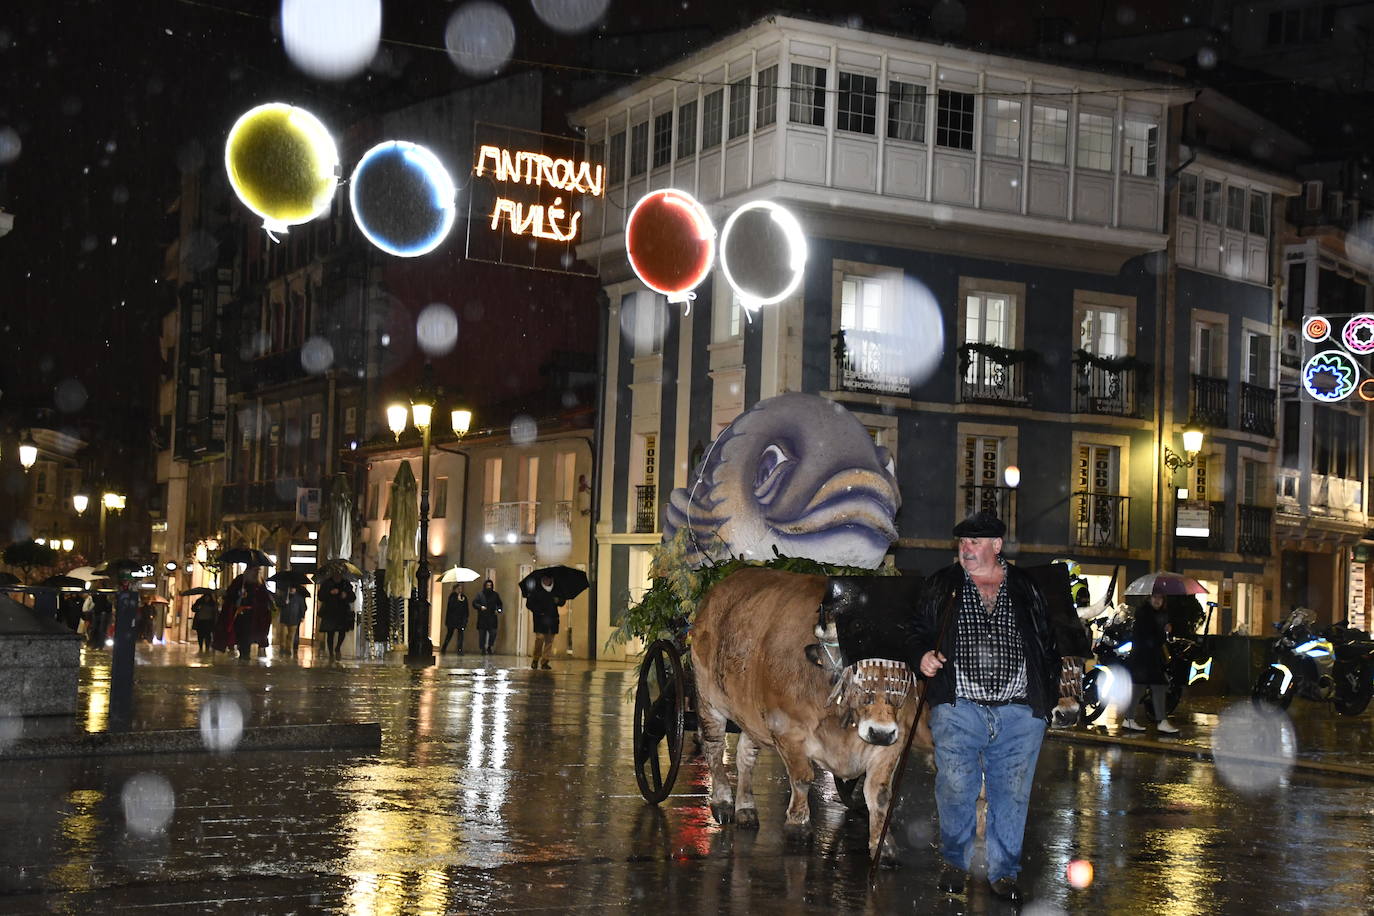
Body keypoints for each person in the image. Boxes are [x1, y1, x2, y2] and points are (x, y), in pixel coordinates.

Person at [908, 511, 1062, 905]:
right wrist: (921, 655)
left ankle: (1003, 872)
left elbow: (1048, 642)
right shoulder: (945, 584)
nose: (966, 550)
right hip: (961, 707)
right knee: (955, 787)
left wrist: (1042, 705)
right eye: (962, 543)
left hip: (1018, 713)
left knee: (1011, 793)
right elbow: (916, 631)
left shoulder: (1026, 586)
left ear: (997, 546)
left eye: (975, 543)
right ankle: (955, 864)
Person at [1123, 592, 1178, 734]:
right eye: (1155, 597)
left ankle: (1129, 719)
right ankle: (1161, 721)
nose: (1157, 600)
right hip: (1144, 658)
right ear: (1149, 598)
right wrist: (1163, 630)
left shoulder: (1158, 614)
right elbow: (1151, 637)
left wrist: (1166, 629)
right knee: (1158, 687)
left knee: (1139, 689)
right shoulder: (1145, 614)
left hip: (1147, 658)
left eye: (1160, 597)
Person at [215, 564, 273, 660]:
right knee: (242, 634)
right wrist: (239, 594)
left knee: (249, 635)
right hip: (241, 614)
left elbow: (264, 598)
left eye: (258, 571)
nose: (256, 573)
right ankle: (243, 652)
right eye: (255, 571)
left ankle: (246, 653)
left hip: (254, 615)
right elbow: (230, 595)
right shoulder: (240, 580)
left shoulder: (260, 583)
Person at [526, 574, 565, 669]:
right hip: (540, 619)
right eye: (545, 579)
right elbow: (529, 604)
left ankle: (545, 661)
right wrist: (538, 611)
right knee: (540, 638)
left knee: (549, 641)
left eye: (549, 579)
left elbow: (562, 601)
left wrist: (558, 600)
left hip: (552, 618)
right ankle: (536, 658)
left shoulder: (556, 590)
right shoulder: (536, 590)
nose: (547, 581)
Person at [318, 578, 356, 659]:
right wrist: (330, 592)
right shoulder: (327, 583)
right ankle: (331, 652)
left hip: (342, 612)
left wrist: (346, 595)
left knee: (342, 631)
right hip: (330, 611)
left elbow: (352, 597)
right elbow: (320, 596)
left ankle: (338, 648)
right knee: (330, 632)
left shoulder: (345, 583)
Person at [473, 579, 503, 656]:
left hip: (492, 617)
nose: (489, 587)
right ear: (485, 586)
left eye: (490, 585)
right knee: (482, 635)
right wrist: (480, 607)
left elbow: (500, 604)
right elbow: (474, 603)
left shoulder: (495, 595)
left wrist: (498, 610)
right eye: (487, 585)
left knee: (493, 633)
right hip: (482, 618)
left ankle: (489, 646)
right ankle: (482, 648)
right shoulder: (480, 594)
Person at [279, 584, 308, 659]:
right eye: (291, 588)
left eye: (293, 588)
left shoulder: (299, 598)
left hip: (294, 619)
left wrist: (302, 616)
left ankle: (288, 649)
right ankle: (282, 647)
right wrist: (284, 602)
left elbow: (303, 607)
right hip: (284, 619)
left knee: (291, 636)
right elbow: (279, 604)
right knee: (283, 634)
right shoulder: (285, 596)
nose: (292, 589)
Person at [442, 584, 469, 653]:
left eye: (461, 589)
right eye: (458, 589)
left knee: (461, 634)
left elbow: (466, 609)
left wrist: (466, 618)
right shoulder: (452, 597)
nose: (460, 590)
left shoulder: (464, 597)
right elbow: (451, 607)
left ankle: (460, 649)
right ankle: (444, 647)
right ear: (455, 589)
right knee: (449, 634)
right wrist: (457, 600)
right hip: (452, 619)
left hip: (461, 619)